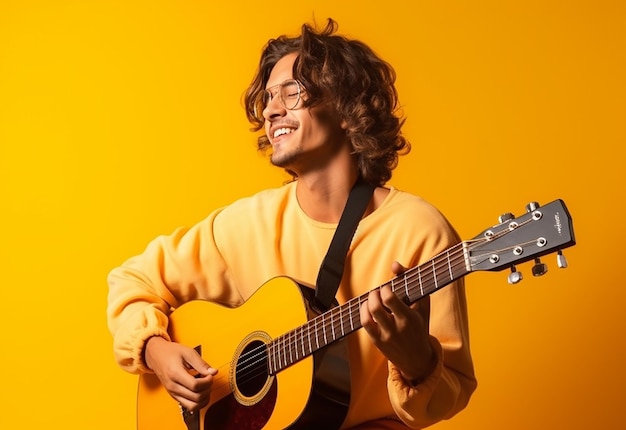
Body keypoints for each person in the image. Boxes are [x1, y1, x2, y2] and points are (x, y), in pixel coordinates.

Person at [107, 18, 476, 429]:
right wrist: (156, 351)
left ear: (346, 107)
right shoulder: (249, 224)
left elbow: (451, 390)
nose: (271, 109)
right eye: (268, 97)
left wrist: (418, 362)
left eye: (292, 92)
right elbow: (132, 280)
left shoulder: (419, 231)